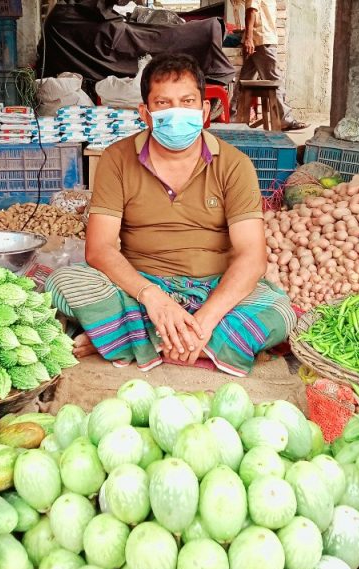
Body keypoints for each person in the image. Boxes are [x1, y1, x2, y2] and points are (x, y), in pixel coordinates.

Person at [45, 53, 296, 378]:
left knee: (279, 311)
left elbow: (251, 256)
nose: (176, 113)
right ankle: (186, 342)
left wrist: (207, 318)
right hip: (139, 287)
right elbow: (99, 248)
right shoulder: (116, 159)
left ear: (205, 111)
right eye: (163, 103)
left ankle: (128, 339)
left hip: (213, 288)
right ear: (145, 115)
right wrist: (154, 299)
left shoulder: (234, 164)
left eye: (187, 101)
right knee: (63, 282)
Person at [230, 0, 307, 131]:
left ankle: (232, 118)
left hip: (260, 40)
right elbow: (251, 11)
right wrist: (248, 38)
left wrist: (249, 39)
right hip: (262, 40)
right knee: (275, 79)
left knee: (244, 81)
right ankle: (285, 119)